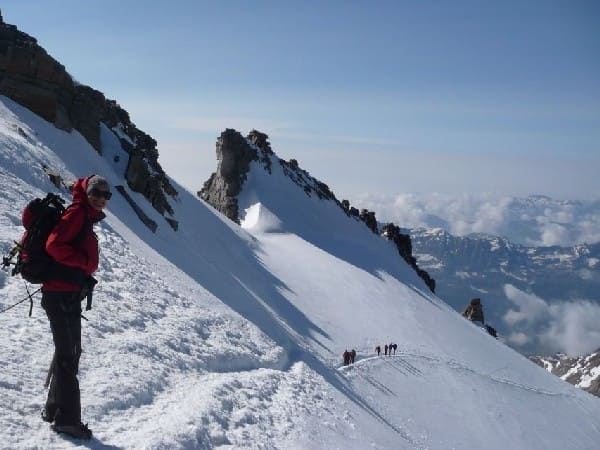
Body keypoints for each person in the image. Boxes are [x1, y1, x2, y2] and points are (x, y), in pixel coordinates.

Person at [41, 175, 111, 440]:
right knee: (68, 354)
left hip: (67, 293)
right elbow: (53, 245)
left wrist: (82, 273)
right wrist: (82, 262)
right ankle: (67, 420)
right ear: (85, 191)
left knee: (69, 352)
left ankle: (54, 409)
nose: (101, 198)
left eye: (106, 195)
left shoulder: (86, 216)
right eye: (96, 192)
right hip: (59, 294)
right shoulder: (77, 215)